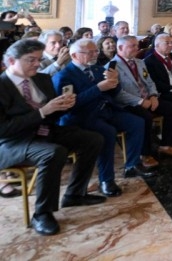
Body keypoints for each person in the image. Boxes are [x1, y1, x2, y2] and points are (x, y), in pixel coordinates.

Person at [0, 39, 105, 236]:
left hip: (44, 131)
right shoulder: (2, 86)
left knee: (93, 139)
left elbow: (51, 115)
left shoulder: (42, 79)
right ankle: (42, 213)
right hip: (14, 142)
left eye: (39, 59)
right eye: (31, 60)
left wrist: (63, 106)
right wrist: (42, 112)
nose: (37, 64)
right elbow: (3, 129)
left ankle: (74, 194)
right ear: (11, 61)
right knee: (53, 153)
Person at [53, 38, 155, 198]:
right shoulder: (64, 76)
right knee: (108, 132)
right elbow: (69, 105)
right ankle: (106, 180)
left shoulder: (97, 69)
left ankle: (132, 164)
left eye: (96, 51)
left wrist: (115, 81)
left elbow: (113, 92)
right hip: (82, 116)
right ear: (74, 55)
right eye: (90, 52)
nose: (95, 54)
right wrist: (98, 88)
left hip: (105, 110)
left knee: (137, 122)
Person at [111, 35, 172, 158]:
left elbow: (149, 82)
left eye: (137, 45)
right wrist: (140, 101)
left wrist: (153, 96)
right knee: (146, 117)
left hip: (148, 98)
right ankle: (145, 154)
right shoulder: (113, 66)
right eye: (132, 46)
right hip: (129, 103)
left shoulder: (139, 62)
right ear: (121, 47)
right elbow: (118, 93)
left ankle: (166, 145)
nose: (137, 48)